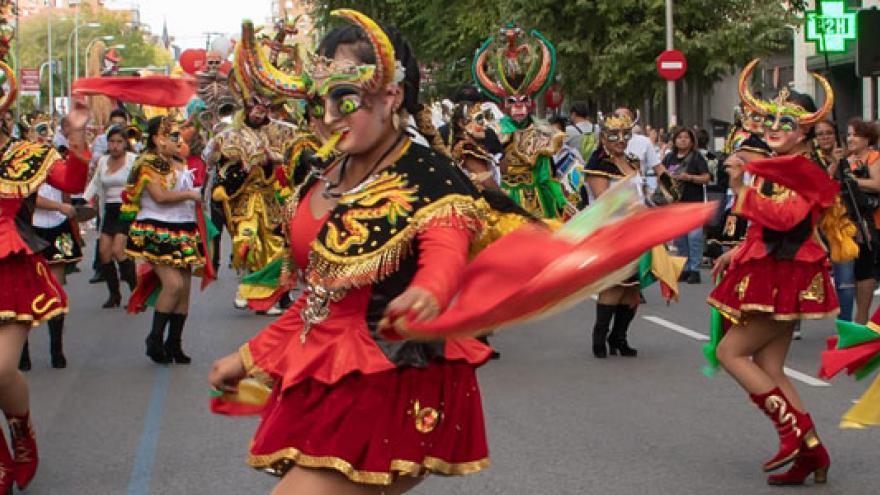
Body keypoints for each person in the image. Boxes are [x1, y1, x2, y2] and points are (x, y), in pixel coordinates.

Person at [209, 12, 497, 494]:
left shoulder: (428, 175)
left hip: (395, 373)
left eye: (346, 99)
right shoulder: (323, 175)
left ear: (391, 96)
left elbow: (445, 250)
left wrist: (430, 291)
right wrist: (249, 356)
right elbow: (320, 299)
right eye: (321, 101)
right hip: (331, 372)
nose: (327, 118)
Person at [708, 59, 848, 485]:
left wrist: (738, 191)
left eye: (785, 121)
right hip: (774, 267)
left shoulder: (804, 169)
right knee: (771, 367)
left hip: (784, 274)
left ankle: (791, 434)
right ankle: (813, 453)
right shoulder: (780, 163)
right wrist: (738, 252)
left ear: (804, 130)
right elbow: (765, 227)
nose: (773, 126)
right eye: (768, 118)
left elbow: (787, 219)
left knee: (729, 354)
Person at [0, 49, 90, 495]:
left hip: (9, 272)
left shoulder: (22, 154)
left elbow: (72, 184)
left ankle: (21, 433)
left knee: (0, 370)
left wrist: (75, 137)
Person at [205, 77, 297, 314]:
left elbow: (289, 154)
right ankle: (244, 288)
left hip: (268, 199)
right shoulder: (232, 133)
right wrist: (233, 167)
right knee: (247, 242)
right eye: (256, 108)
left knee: (276, 247)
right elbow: (213, 158)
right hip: (244, 199)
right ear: (247, 109)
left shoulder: (276, 131)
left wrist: (270, 156)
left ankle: (265, 297)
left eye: (264, 109)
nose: (260, 112)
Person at [123, 116, 204, 364]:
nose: (177, 141)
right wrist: (190, 194)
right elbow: (159, 196)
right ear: (158, 139)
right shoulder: (147, 162)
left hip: (184, 228)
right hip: (157, 227)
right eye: (172, 137)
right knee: (173, 285)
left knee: (185, 289)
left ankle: (174, 342)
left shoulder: (178, 162)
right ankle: (155, 338)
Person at [472, 22, 568, 219]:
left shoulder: (542, 132)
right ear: (503, 105)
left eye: (523, 101)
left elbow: (545, 176)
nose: (518, 107)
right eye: (512, 101)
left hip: (536, 199)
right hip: (504, 198)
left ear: (531, 103)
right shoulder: (494, 131)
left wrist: (559, 199)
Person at [584, 111, 643, 358]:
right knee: (615, 283)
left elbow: (641, 192)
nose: (621, 139)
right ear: (603, 137)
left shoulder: (631, 160)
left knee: (633, 288)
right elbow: (604, 200)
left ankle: (618, 337)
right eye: (614, 135)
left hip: (637, 231)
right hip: (613, 231)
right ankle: (600, 336)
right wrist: (633, 210)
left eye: (626, 134)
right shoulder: (599, 163)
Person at [84, 125, 138, 308]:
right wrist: (84, 202)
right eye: (112, 142)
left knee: (118, 250)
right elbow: (95, 183)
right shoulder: (103, 161)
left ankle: (136, 293)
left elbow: (143, 184)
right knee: (104, 253)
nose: (115, 146)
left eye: (119, 142)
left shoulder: (133, 160)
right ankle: (114, 295)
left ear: (125, 143)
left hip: (127, 209)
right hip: (109, 209)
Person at [815, 120, 860, 322]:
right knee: (799, 276)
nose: (825, 137)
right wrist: (832, 164)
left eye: (829, 133)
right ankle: (792, 322)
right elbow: (817, 188)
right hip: (813, 225)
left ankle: (845, 324)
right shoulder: (809, 158)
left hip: (840, 223)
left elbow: (852, 189)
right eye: (820, 134)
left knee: (845, 280)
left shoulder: (846, 159)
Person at [657, 127, 710, 283]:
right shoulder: (669, 158)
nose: (683, 140)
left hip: (694, 203)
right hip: (676, 204)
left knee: (694, 237)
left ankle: (695, 269)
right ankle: (684, 268)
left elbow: (706, 178)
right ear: (674, 140)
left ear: (692, 141)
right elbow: (661, 175)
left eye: (686, 137)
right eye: (679, 137)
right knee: (680, 239)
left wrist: (690, 178)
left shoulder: (697, 157)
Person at [846, 118, 880, 324]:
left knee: (867, 269)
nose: (850, 139)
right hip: (854, 223)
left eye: (855, 135)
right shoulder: (848, 160)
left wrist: (852, 181)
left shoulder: (874, 157)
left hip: (873, 222)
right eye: (848, 134)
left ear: (867, 138)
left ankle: (862, 318)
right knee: (861, 269)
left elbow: (877, 184)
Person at [616, 107, 661, 199]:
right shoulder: (605, 143)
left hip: (637, 197)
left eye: (625, 119)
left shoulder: (644, 142)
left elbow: (659, 169)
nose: (621, 123)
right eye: (617, 119)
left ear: (633, 122)